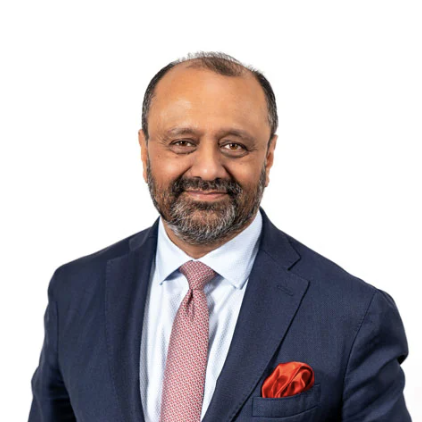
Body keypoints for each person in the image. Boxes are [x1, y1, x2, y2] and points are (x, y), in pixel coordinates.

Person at [28, 52, 412, 422]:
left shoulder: (354, 315)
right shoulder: (74, 292)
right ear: (145, 152)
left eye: (234, 145)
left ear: (268, 156)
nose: (208, 169)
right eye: (182, 142)